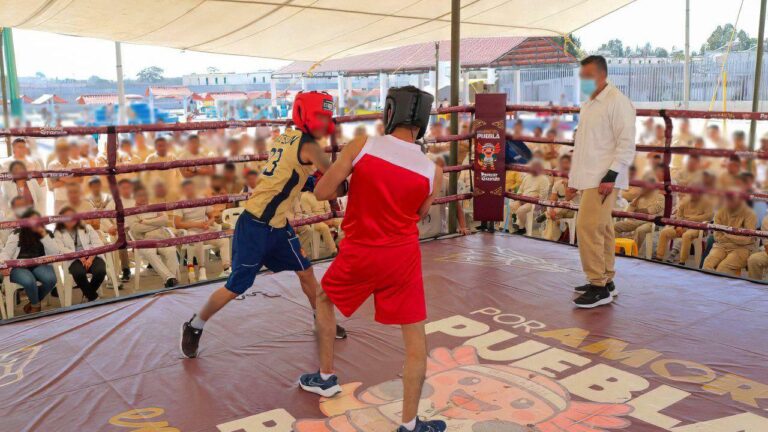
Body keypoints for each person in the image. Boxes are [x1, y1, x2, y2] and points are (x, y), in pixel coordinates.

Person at [298, 86, 446, 432]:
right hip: (402, 258)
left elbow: (321, 192)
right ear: (423, 120)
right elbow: (422, 211)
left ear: (390, 111)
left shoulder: (362, 145)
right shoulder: (432, 170)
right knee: (415, 341)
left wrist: (351, 182)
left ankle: (325, 376)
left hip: (360, 250)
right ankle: (410, 425)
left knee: (323, 298)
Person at [181, 91, 348, 359]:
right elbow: (334, 177)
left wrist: (309, 181)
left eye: (326, 117)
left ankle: (321, 320)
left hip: (278, 226)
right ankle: (195, 324)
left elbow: (289, 173)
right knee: (236, 286)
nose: (323, 123)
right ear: (305, 115)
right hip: (256, 225)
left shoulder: (287, 136)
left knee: (305, 272)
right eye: (319, 117)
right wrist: (355, 178)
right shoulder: (311, 147)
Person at [569, 55, 636, 308]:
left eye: (587, 77)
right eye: (582, 76)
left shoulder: (618, 102)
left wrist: (611, 175)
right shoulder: (590, 103)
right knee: (603, 228)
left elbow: (626, 143)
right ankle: (606, 279)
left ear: (602, 75)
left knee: (587, 226)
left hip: (604, 177)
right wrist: (573, 179)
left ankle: (598, 285)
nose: (583, 81)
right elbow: (585, 145)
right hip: (590, 175)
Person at [0, 209, 60, 314]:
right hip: (19, 266)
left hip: (39, 264)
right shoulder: (16, 233)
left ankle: (33, 302)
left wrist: (43, 234)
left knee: (51, 279)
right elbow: (5, 253)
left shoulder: (46, 233)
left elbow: (56, 252)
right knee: (29, 281)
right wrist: (3, 266)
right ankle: (36, 307)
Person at [173, 180, 231, 281]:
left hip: (205, 230)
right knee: (198, 238)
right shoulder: (180, 203)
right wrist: (197, 224)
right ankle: (201, 269)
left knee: (224, 240)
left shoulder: (202, 199)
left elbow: (212, 216)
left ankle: (226, 268)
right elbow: (177, 224)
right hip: (190, 232)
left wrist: (208, 223)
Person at [126, 185, 179, 288]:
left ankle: (170, 281)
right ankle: (170, 279)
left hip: (161, 237)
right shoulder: (131, 211)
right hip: (143, 240)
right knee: (150, 252)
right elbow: (136, 228)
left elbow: (165, 220)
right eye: (140, 195)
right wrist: (156, 223)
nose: (143, 197)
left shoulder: (154, 206)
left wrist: (146, 222)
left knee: (171, 250)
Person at [54, 207, 107, 302]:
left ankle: (88, 295)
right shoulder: (58, 232)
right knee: (78, 273)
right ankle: (93, 297)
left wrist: (90, 258)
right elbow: (60, 248)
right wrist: (78, 255)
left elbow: (98, 244)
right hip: (73, 258)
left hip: (92, 255)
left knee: (100, 271)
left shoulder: (87, 227)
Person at [702, 192, 757, 276]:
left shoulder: (750, 214)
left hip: (742, 249)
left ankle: (719, 288)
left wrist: (726, 234)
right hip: (721, 246)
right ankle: (709, 287)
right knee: (707, 264)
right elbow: (717, 237)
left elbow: (748, 240)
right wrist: (736, 237)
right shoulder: (720, 212)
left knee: (723, 268)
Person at [655, 190, 713, 264]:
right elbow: (679, 214)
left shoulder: (707, 202)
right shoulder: (686, 200)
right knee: (665, 232)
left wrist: (691, 220)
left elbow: (709, 216)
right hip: (682, 226)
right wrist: (679, 225)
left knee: (686, 235)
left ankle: (682, 261)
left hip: (697, 228)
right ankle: (659, 257)